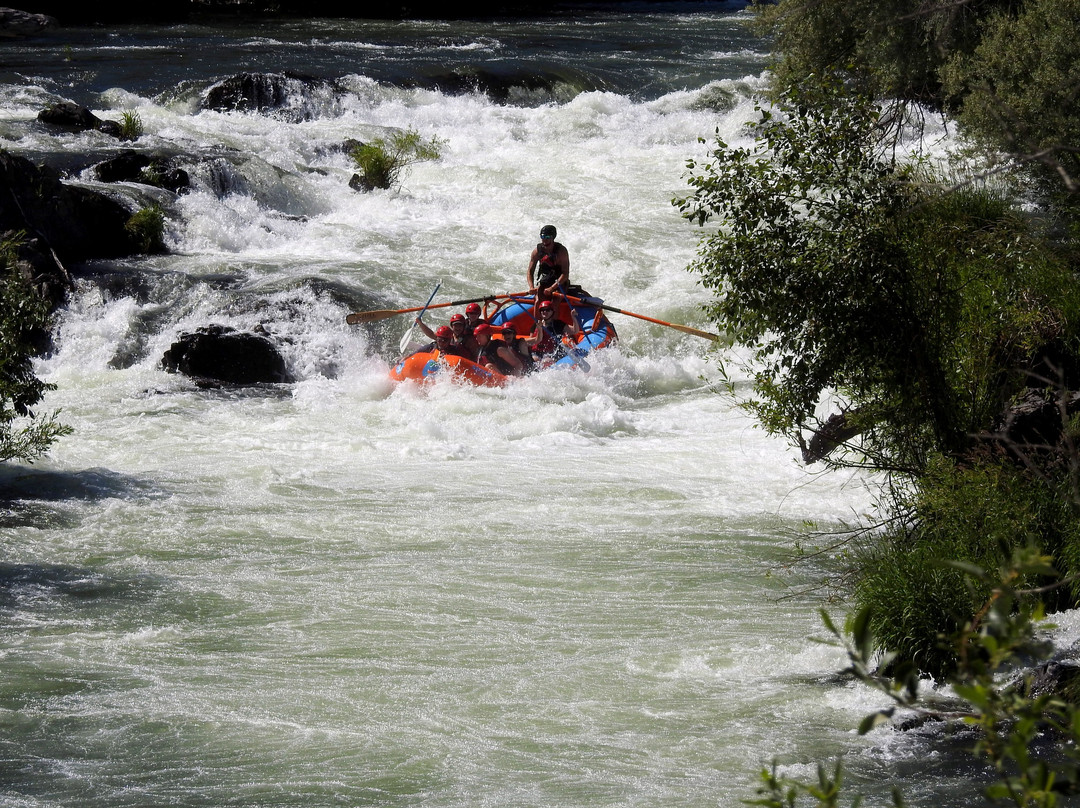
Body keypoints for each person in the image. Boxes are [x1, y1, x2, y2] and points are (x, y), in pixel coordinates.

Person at [526, 224, 570, 299]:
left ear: (553, 238)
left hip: (560, 282)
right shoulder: (536, 251)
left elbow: (565, 274)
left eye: (547, 237)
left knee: (555, 301)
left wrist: (552, 288)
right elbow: (530, 271)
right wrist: (531, 287)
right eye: (542, 237)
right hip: (546, 280)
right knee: (538, 300)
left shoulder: (561, 251)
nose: (544, 240)